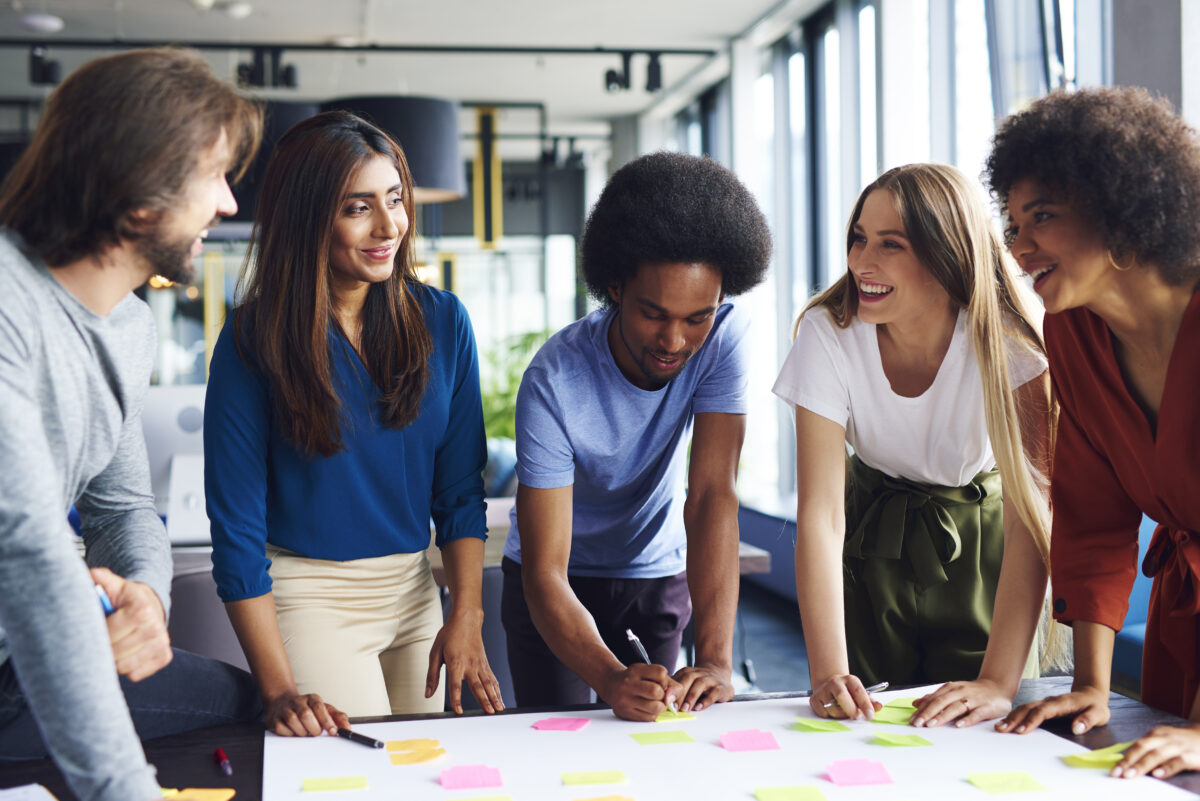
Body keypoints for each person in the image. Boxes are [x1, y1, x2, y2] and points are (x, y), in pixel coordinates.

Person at [0, 48, 263, 801]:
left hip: (38, 643)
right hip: (20, 647)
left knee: (249, 703)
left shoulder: (129, 327)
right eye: (213, 175)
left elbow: (120, 506)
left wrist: (146, 596)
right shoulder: (9, 307)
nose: (228, 204)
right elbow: (30, 557)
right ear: (139, 195)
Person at [204, 111, 503, 736]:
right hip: (310, 595)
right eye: (357, 208)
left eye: (395, 200)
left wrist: (467, 613)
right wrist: (279, 687)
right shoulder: (252, 340)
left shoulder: (444, 321)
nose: (389, 226)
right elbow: (235, 529)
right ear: (309, 217)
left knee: (425, 773)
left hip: (415, 590)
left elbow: (458, 493)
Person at [773, 163, 1054, 725]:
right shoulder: (829, 333)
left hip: (984, 550)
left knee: (979, 729)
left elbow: (1032, 515)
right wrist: (827, 671)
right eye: (858, 239)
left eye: (890, 245)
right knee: (864, 723)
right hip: (868, 541)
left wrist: (999, 682)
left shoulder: (1011, 345)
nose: (860, 262)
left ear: (947, 255)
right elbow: (823, 516)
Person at [501, 151, 772, 722]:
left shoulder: (722, 338)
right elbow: (545, 570)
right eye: (654, 313)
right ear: (616, 286)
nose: (674, 339)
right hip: (556, 581)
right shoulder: (554, 380)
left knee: (654, 741)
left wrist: (717, 661)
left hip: (654, 574)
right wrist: (607, 676)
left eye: (697, 316)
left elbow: (712, 496)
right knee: (559, 747)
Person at [987, 86, 1200, 779]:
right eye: (1014, 224)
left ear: (1121, 209)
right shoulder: (1072, 333)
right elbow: (1090, 516)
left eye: (1041, 217)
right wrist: (1091, 687)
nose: (1020, 247)